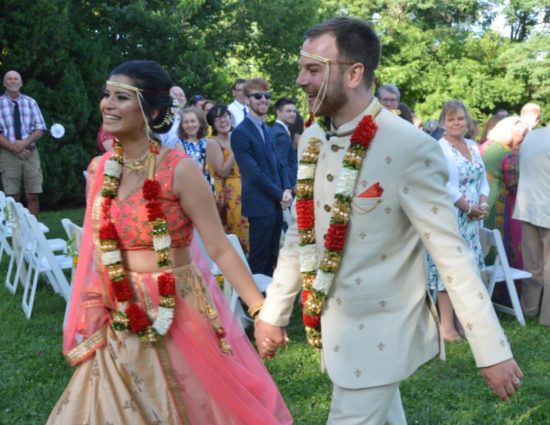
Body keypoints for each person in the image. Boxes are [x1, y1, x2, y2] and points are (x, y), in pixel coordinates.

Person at [254, 17, 522, 424]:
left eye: (312, 69)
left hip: (383, 331)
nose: (299, 81)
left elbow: (452, 256)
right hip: (336, 331)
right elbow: (300, 235)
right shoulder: (312, 139)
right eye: (301, 69)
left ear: (354, 72)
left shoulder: (409, 146)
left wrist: (491, 349)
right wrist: (274, 311)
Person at [46, 60, 292, 425]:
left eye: (121, 97)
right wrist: (96, 295)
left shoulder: (179, 168)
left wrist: (260, 311)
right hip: (119, 305)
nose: (107, 105)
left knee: (194, 403)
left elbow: (220, 247)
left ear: (153, 110)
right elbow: (99, 243)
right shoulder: (100, 168)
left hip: (177, 305)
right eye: (106, 95)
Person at [426, 100, 489, 342]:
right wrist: (467, 207)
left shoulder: (473, 146)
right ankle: (447, 327)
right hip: (452, 217)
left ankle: (465, 323)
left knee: (468, 272)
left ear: (467, 120)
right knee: (448, 272)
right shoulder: (440, 147)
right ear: (443, 123)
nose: (456, 122)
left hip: (473, 221)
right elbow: (445, 183)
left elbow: (482, 180)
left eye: (460, 118)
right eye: (451, 119)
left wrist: (482, 204)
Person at [231, 78, 292, 277]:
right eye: (258, 96)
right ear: (247, 99)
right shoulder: (240, 133)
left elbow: (279, 163)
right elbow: (253, 173)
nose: (264, 100)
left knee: (273, 256)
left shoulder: (268, 129)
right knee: (259, 258)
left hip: (276, 203)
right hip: (260, 205)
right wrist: (279, 194)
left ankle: (270, 301)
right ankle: (253, 303)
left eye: (267, 96)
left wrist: (287, 189)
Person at [513, 124, 550, 326]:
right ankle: (547, 317)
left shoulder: (532, 137)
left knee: (532, 264)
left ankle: (529, 308)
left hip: (527, 206)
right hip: (546, 208)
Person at [0, 70, 46, 217]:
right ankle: (17, 233)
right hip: (8, 154)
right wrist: (15, 149)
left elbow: (40, 128)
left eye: (16, 78)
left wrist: (23, 144)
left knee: (33, 194)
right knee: (13, 197)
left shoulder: (30, 102)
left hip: (30, 153)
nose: (13, 81)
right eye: (9, 79)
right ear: (4, 83)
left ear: (21, 83)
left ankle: (35, 232)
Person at [206, 103, 249, 252]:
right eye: (217, 118)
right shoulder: (212, 142)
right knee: (236, 233)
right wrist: (236, 148)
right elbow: (223, 170)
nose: (223, 121)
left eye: (225, 116)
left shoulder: (237, 135)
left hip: (245, 189)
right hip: (227, 193)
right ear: (212, 123)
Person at [482, 116, 528, 230]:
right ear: (511, 133)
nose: (523, 139)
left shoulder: (488, 146)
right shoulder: (508, 154)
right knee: (500, 240)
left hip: (485, 198)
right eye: (522, 135)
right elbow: (515, 185)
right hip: (501, 203)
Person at [178, 106, 213, 190]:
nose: (190, 125)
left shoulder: (209, 142)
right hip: (192, 188)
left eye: (193, 121)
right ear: (182, 125)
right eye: (186, 122)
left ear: (200, 123)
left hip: (211, 188)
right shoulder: (179, 145)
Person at [272, 97, 298, 190]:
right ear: (278, 112)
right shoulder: (280, 133)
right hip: (286, 186)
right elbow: (282, 162)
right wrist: (292, 184)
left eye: (294, 111)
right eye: (288, 111)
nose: (293, 114)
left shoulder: (277, 129)